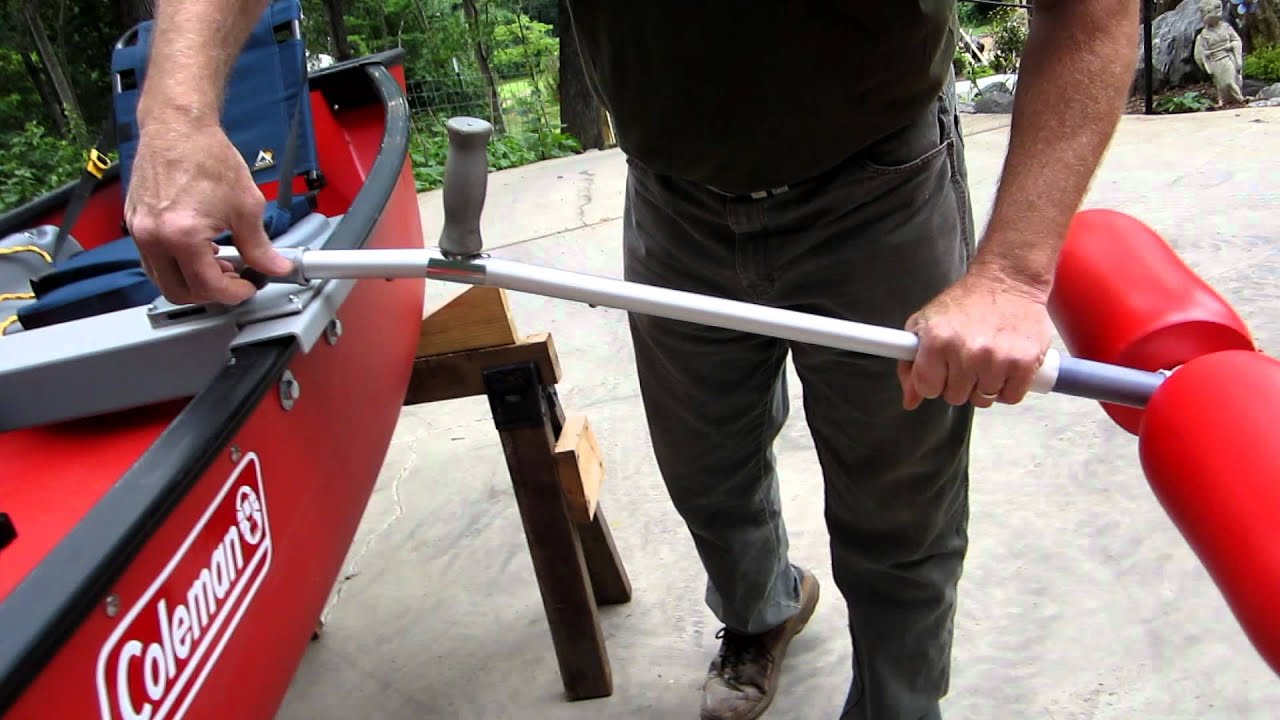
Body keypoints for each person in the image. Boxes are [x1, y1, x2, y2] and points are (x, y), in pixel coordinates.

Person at [126, 1, 1139, 718]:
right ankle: (760, 614)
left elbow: (1090, 13)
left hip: (877, 186)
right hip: (674, 194)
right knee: (707, 465)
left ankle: (897, 709)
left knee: (897, 510)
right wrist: (175, 119)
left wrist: (1006, 272)